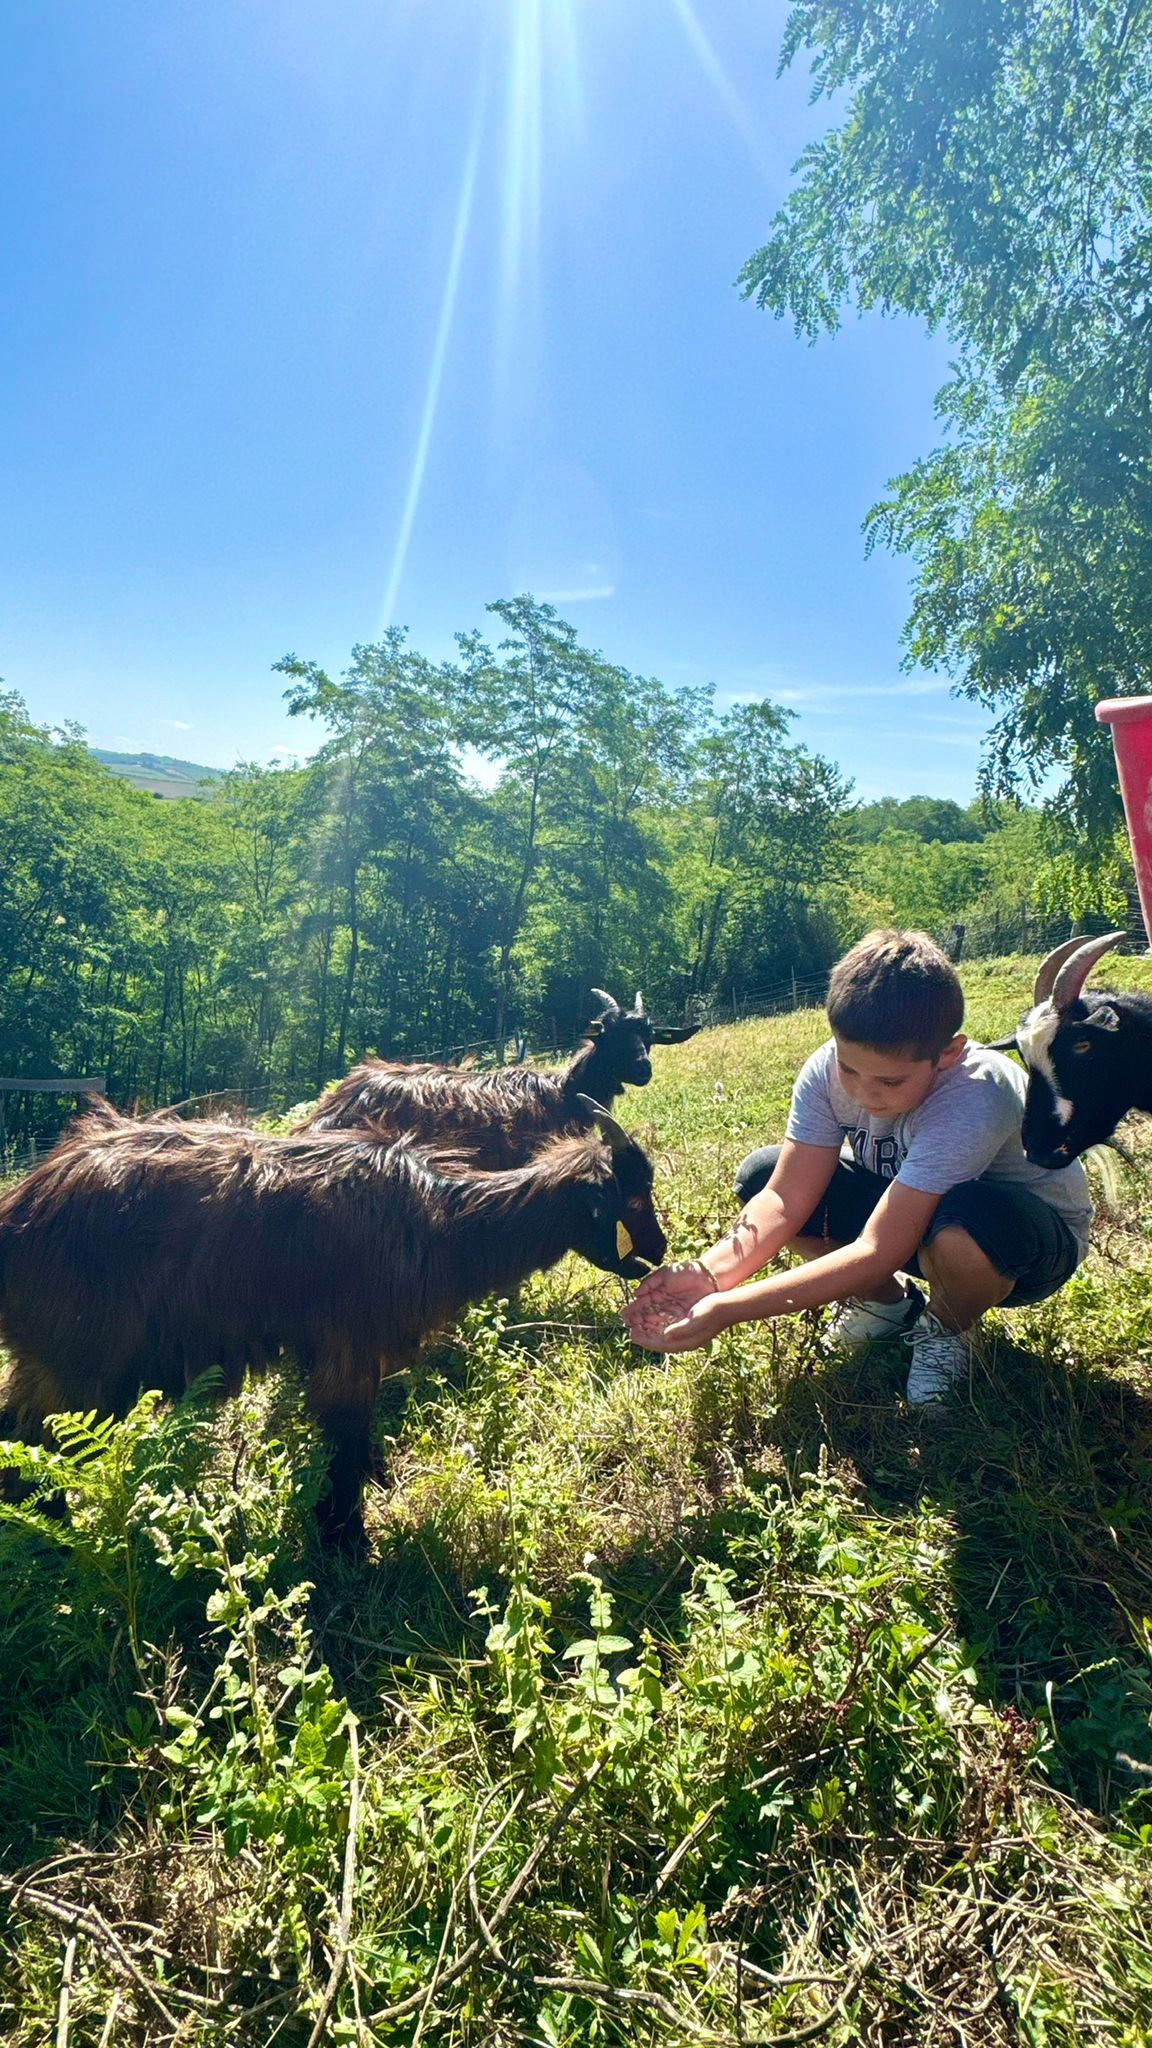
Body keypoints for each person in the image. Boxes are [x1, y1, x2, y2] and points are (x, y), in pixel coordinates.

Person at [622, 930, 1092, 1404]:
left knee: (965, 1221)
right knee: (763, 1176)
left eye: (890, 1080)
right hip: (914, 1216)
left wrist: (727, 1309)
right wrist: (710, 1274)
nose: (864, 1094)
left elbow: (879, 1247)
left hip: (1022, 1245)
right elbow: (786, 1198)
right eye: (850, 1069)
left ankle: (949, 1329)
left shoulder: (976, 1093)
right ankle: (886, 1305)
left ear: (947, 1054)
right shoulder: (825, 1071)